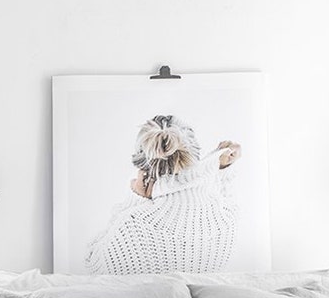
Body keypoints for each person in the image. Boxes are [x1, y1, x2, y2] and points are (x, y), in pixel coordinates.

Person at [85, 114, 242, 275]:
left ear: (142, 164)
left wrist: (135, 199)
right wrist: (219, 168)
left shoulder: (131, 224)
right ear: (194, 154)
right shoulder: (228, 216)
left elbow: (93, 265)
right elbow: (219, 188)